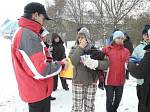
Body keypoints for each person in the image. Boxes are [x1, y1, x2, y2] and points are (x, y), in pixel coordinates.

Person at [11, 2, 68, 112]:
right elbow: (41, 70)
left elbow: (38, 60)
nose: (43, 22)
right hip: (37, 91)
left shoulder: (28, 33)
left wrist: (51, 59)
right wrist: (61, 65)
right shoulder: (28, 36)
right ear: (35, 15)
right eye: (43, 18)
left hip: (38, 90)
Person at [69, 27, 105, 112]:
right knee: (77, 108)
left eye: (83, 37)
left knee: (89, 108)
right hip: (78, 82)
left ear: (88, 38)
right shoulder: (74, 49)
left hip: (91, 83)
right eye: (79, 37)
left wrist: (96, 63)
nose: (81, 39)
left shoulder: (94, 49)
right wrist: (80, 47)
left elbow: (106, 63)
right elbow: (74, 61)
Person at [102, 31, 130, 112]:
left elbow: (128, 62)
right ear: (114, 39)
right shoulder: (107, 49)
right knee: (109, 100)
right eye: (118, 38)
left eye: (122, 38)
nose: (120, 40)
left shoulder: (126, 51)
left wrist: (130, 65)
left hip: (120, 80)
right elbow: (100, 61)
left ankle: (113, 110)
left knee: (118, 99)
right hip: (109, 80)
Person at [128, 28, 150, 112]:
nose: (147, 37)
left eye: (148, 35)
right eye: (145, 35)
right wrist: (136, 62)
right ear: (142, 36)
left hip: (145, 80)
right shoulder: (139, 47)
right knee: (141, 101)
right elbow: (132, 58)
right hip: (140, 82)